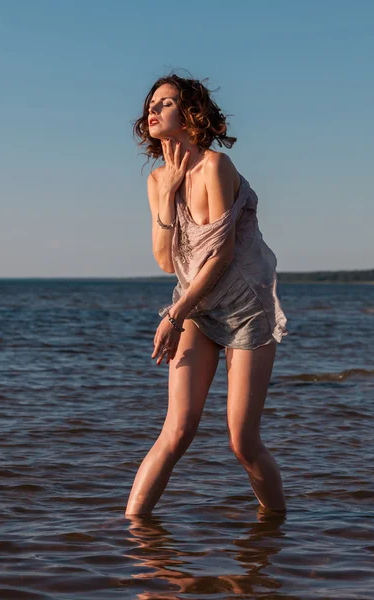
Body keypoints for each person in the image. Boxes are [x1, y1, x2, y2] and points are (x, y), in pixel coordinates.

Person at [125, 72, 289, 516]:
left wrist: (175, 314)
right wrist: (168, 198)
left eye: (165, 103)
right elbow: (165, 261)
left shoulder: (217, 166)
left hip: (245, 311)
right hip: (197, 306)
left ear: (191, 113)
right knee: (175, 431)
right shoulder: (157, 180)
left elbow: (220, 254)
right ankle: (132, 537)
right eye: (151, 104)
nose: (153, 111)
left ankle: (273, 534)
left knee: (242, 441)